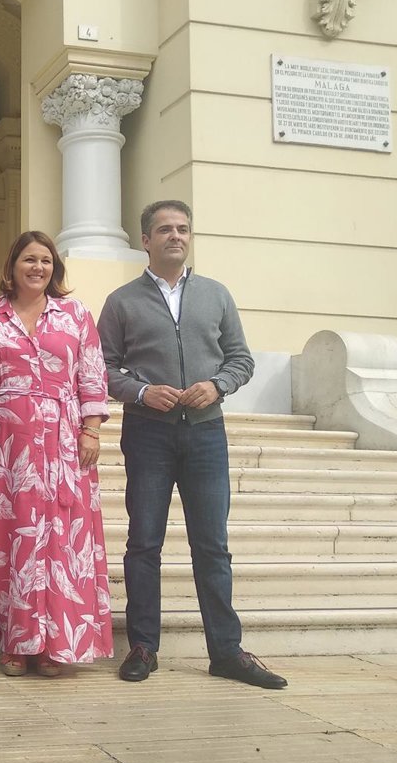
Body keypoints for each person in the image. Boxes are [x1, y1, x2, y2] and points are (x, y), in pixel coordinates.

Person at [97, 199, 287, 689]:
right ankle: (143, 646)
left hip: (205, 433)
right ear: (146, 240)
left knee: (212, 546)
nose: (175, 236)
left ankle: (225, 652)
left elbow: (241, 359)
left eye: (182, 228)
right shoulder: (121, 302)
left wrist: (218, 385)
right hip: (148, 433)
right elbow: (102, 368)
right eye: (165, 229)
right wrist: (142, 392)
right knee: (144, 543)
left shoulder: (216, 295)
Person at [0, 231, 113, 677]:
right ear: (12, 265)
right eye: (29, 260)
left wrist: (91, 430)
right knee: (8, 534)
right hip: (4, 441)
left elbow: (92, 374)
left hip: (64, 440)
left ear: (55, 268)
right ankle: (16, 639)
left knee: (61, 537)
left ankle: (56, 643)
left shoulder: (75, 314)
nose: (38, 268)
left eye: (46, 261)